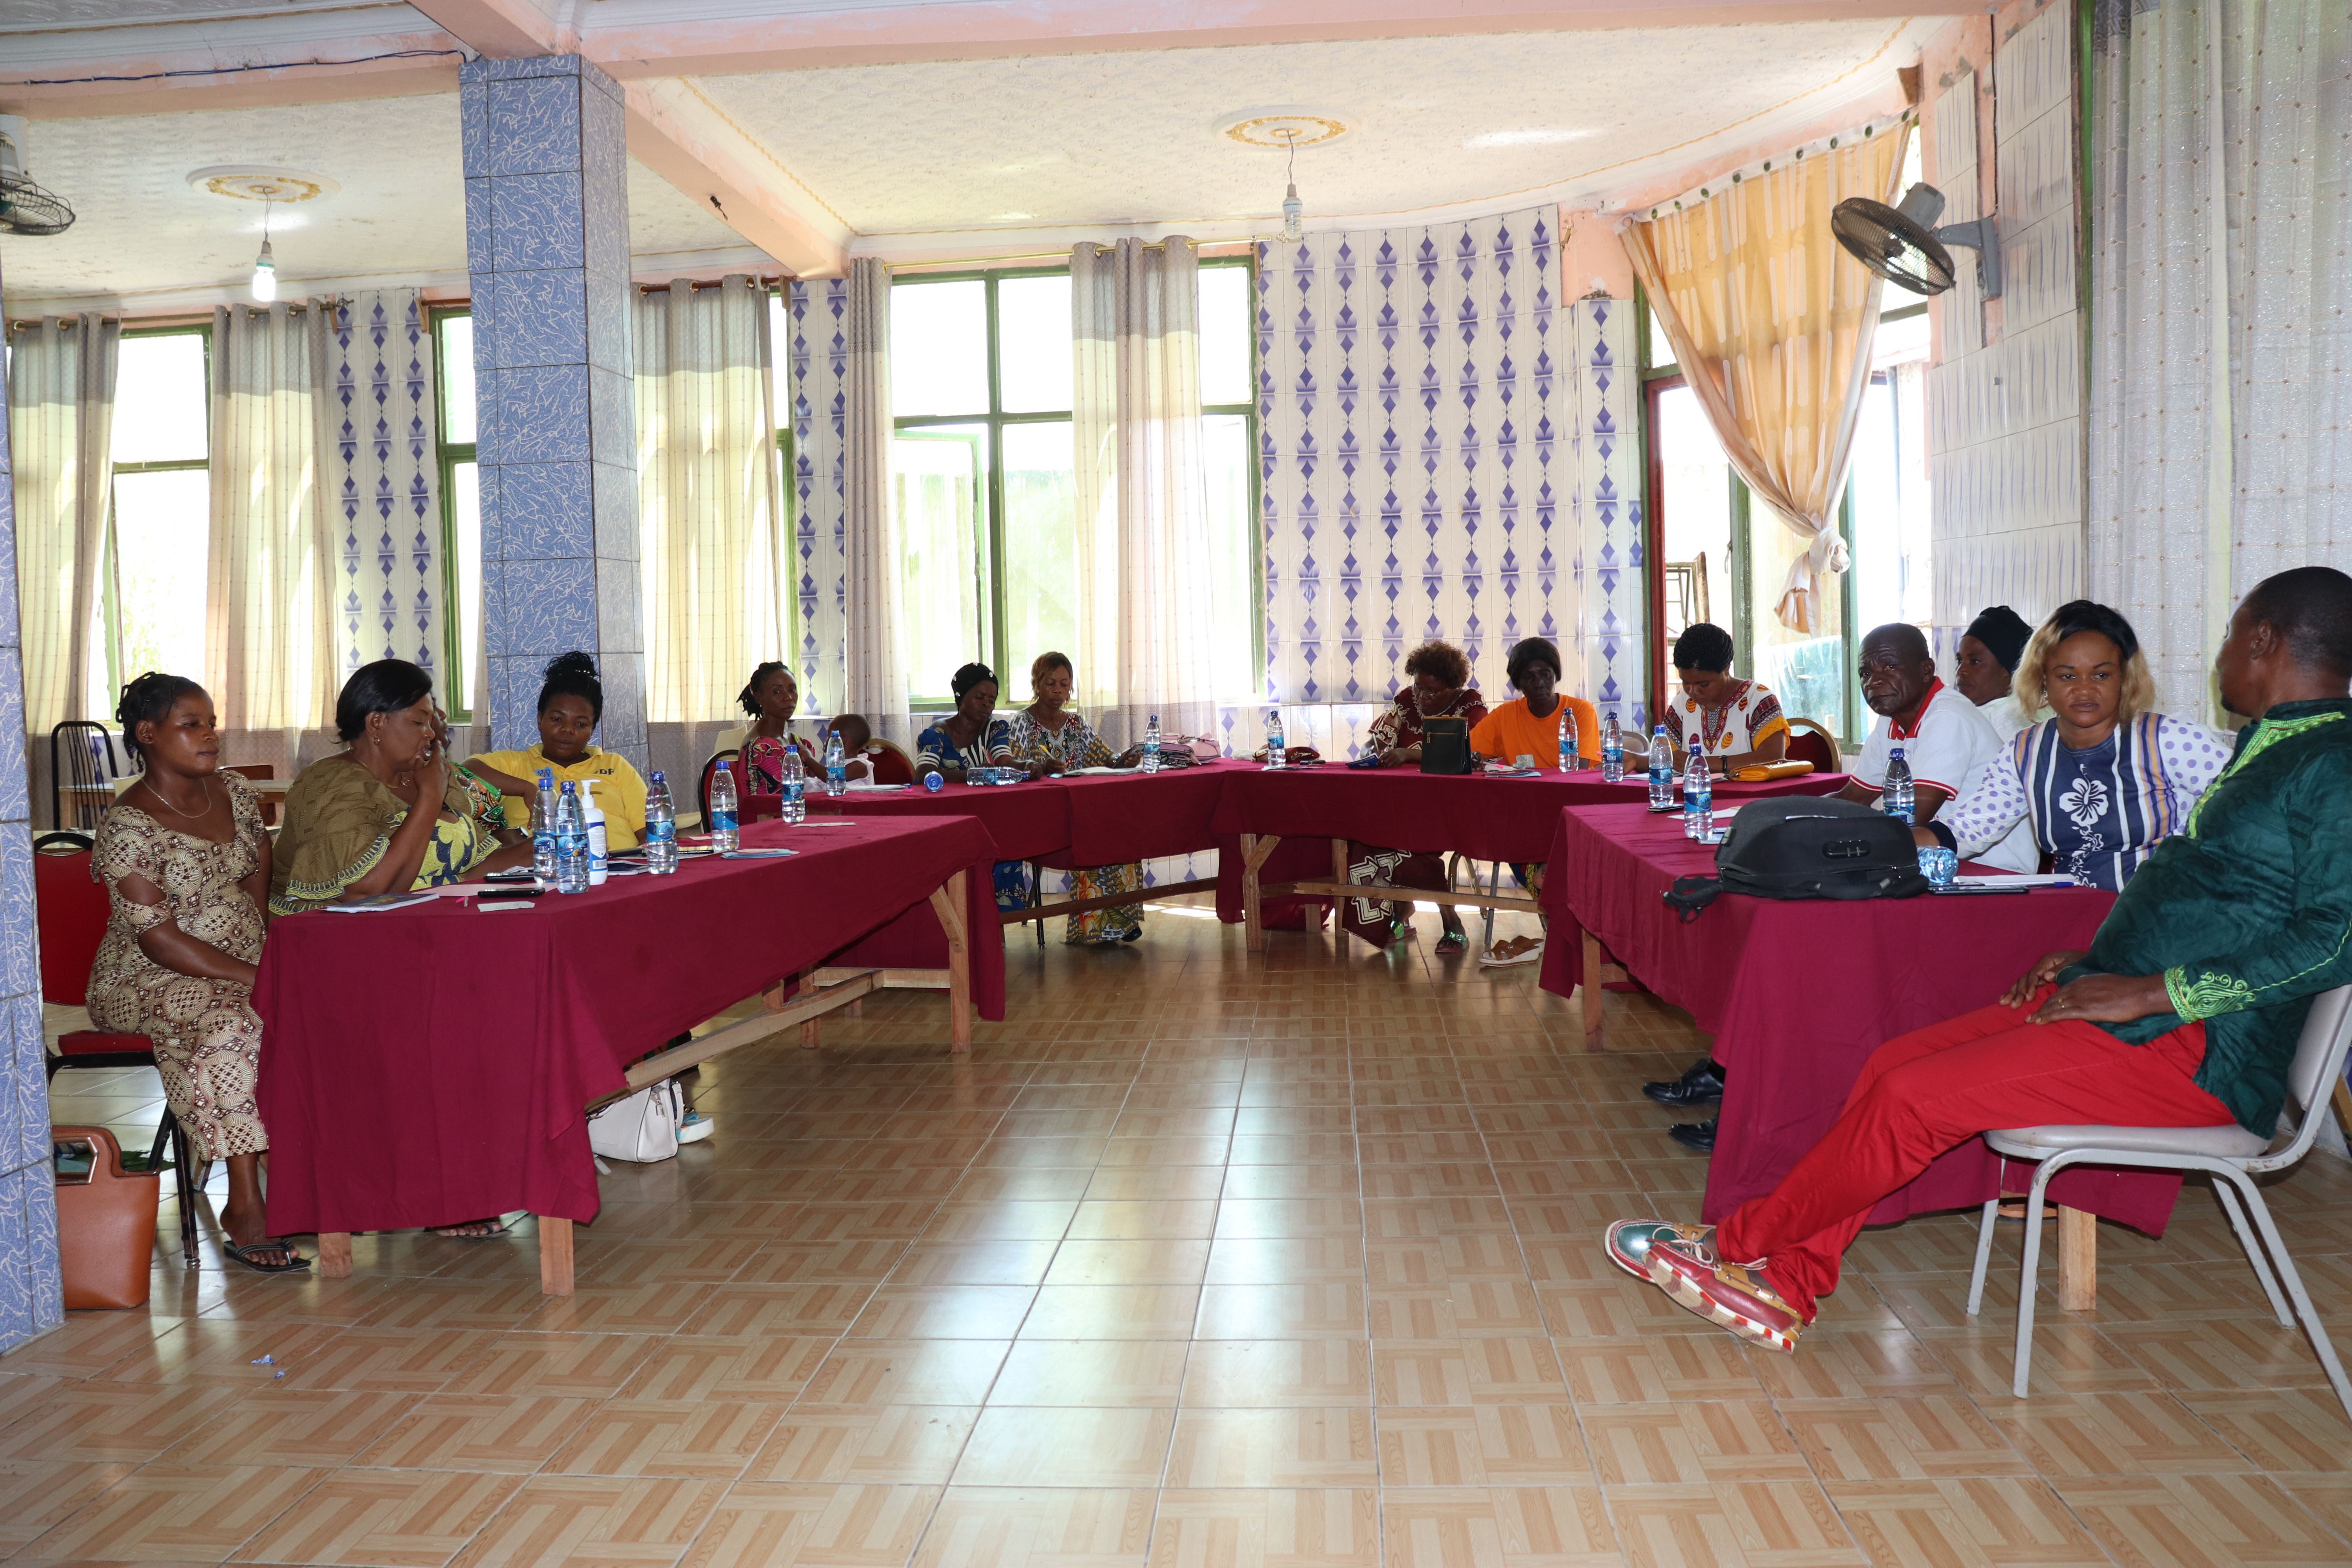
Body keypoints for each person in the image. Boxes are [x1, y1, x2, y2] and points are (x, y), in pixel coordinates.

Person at [1605, 566, 2352, 1354]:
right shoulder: (2278, 748)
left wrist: (2147, 989)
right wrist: (2099, 956)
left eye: (2233, 633)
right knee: (1891, 1061)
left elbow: (2336, 936)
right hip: (2123, 1003)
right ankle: (1785, 1280)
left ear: (2265, 642)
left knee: (1912, 1096)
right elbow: (2233, 902)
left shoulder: (2328, 761)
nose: (2223, 653)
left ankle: (1733, 1248)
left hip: (2191, 1048)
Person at [86, 674, 301, 1274]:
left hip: (239, 963)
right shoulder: (128, 826)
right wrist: (255, 974)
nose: (210, 734)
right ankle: (246, 1204)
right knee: (233, 1021)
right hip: (141, 979)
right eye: (192, 724)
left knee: (303, 1008)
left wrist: (260, 943)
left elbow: (259, 860)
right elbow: (157, 939)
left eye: (211, 722)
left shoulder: (229, 790)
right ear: (148, 734)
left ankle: (314, 1177)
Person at [1930, 601, 2230, 891]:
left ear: (2125, 678)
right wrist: (1896, 842)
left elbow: (2252, 805)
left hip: (2164, 916)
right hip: (2073, 914)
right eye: (2068, 676)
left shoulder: (2168, 739)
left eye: (2101, 675)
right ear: (2043, 679)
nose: (2084, 689)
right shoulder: (2026, 752)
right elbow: (1970, 829)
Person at [272, 659, 532, 918]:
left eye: (431, 723)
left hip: (428, 922)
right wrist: (430, 798)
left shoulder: (429, 772)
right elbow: (365, 894)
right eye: (419, 723)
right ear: (376, 723)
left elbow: (475, 867)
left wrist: (545, 845)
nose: (431, 734)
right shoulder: (330, 782)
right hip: (337, 936)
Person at [1468, 636, 1600, 967]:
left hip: (1573, 813)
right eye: (1530, 676)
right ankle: (1561, 928)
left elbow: (1582, 770)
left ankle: (1570, 932)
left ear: (1556, 676)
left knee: (1550, 859)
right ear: (1518, 683)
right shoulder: (1505, 716)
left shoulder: (1580, 711)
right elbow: (1466, 753)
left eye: (1546, 674)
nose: (1539, 683)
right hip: (1526, 816)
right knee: (1510, 835)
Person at [1349, 640, 1488, 952]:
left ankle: (1451, 919)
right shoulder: (1406, 701)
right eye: (1419, 688)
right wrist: (1373, 751)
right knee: (1365, 834)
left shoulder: (1470, 705)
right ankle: (1399, 909)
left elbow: (1470, 753)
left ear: (1452, 688)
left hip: (1450, 807)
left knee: (1416, 841)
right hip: (1401, 803)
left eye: (1433, 691)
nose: (1423, 697)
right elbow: (1374, 741)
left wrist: (1408, 755)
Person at [1006, 652, 1146, 944]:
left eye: (1065, 684)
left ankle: (1123, 921)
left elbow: (1104, 756)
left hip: (1080, 809)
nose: (1058, 691)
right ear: (1037, 683)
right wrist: (1041, 769)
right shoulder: (1020, 724)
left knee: (1121, 828)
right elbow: (1012, 770)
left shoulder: (1076, 724)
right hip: (1043, 815)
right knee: (1092, 835)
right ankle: (1095, 928)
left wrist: (1124, 759)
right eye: (1051, 683)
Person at [467, 651, 648, 850]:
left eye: (580, 724)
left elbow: (649, 833)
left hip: (620, 868)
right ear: (540, 720)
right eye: (556, 719)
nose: (567, 730)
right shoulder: (516, 763)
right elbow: (466, 770)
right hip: (540, 872)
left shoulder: (614, 765)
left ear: (592, 729)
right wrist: (527, 789)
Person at [918, 663, 1028, 908]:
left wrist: (1029, 765)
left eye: (992, 699)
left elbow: (1005, 761)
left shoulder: (993, 729)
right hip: (944, 819)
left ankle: (998, 917)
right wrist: (973, 773)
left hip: (983, 815)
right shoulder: (938, 733)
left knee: (1007, 838)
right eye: (980, 697)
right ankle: (963, 916)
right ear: (961, 697)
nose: (987, 704)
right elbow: (924, 773)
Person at [1653, 624, 1789, 776]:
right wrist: (1636, 759)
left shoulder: (1759, 699)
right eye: (1686, 683)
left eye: (1703, 684)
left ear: (1726, 669)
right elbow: (1667, 755)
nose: (1693, 692)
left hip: (1750, 797)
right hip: (1695, 795)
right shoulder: (1683, 701)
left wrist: (1706, 763)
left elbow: (1774, 757)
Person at [720, 661, 826, 794]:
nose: (788, 698)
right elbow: (789, 796)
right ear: (759, 698)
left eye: (792, 690)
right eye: (777, 692)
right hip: (770, 814)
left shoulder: (795, 740)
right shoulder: (759, 747)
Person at [1956, 605, 2036, 740]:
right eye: (1959, 661)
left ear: (2007, 670)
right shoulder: (1977, 712)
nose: (1961, 671)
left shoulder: (2012, 719)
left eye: (1975, 662)